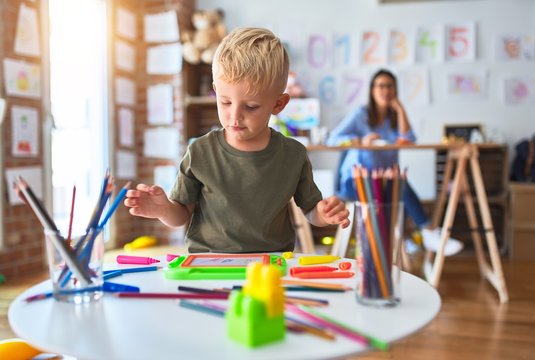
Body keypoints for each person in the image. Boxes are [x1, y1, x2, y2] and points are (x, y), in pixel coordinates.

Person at [124, 27, 350, 253]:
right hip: (209, 265)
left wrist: (325, 214)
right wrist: (163, 209)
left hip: (270, 265)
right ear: (215, 91)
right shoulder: (200, 151)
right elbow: (181, 214)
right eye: (225, 102)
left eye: (251, 106)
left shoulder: (293, 155)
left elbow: (311, 211)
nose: (235, 115)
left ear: (278, 104)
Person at [326, 69, 463, 256]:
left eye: (390, 86)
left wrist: (400, 109)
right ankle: (426, 232)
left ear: (395, 90)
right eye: (381, 86)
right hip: (355, 181)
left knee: (399, 187)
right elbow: (332, 139)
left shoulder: (395, 116)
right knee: (399, 188)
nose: (386, 91)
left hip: (385, 180)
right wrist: (360, 141)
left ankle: (418, 236)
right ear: (372, 90)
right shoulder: (362, 114)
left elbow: (409, 139)